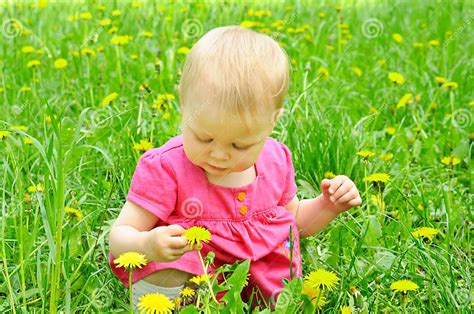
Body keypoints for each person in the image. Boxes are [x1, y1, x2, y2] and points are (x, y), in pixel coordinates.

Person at [108, 25, 362, 310]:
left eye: (239, 146)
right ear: (183, 105)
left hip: (257, 284)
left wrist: (329, 205)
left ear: (273, 121)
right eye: (204, 137)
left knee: (283, 296)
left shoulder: (276, 161)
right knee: (172, 270)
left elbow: (294, 225)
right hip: (192, 281)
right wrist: (147, 245)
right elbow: (119, 236)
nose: (218, 155)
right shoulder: (166, 168)